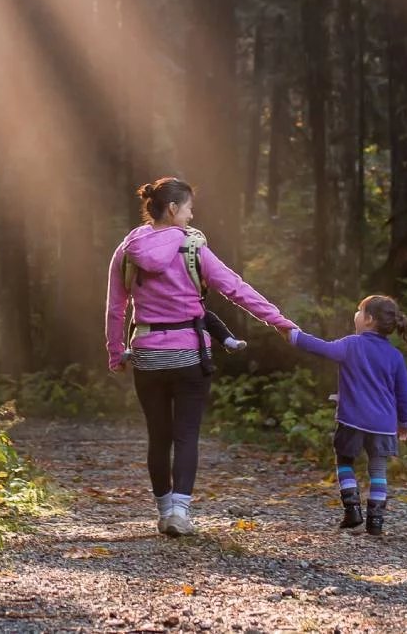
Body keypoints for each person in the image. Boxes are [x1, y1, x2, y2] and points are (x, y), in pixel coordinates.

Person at [106, 177, 294, 537]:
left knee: (157, 436)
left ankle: (163, 513)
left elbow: (116, 308)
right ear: (174, 209)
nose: (192, 216)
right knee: (186, 435)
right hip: (190, 354)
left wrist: (117, 352)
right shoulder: (192, 248)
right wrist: (279, 322)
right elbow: (236, 289)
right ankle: (180, 511)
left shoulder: (127, 249)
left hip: (147, 355)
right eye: (189, 208)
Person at [288, 295, 407, 536]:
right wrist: (404, 423)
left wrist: (294, 335)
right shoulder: (395, 356)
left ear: (368, 320)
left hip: (352, 420)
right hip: (384, 425)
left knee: (344, 461)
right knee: (378, 470)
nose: (355, 315)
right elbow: (404, 395)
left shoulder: (351, 344)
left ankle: (352, 509)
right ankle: (375, 521)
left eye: (359, 311)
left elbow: (321, 347)